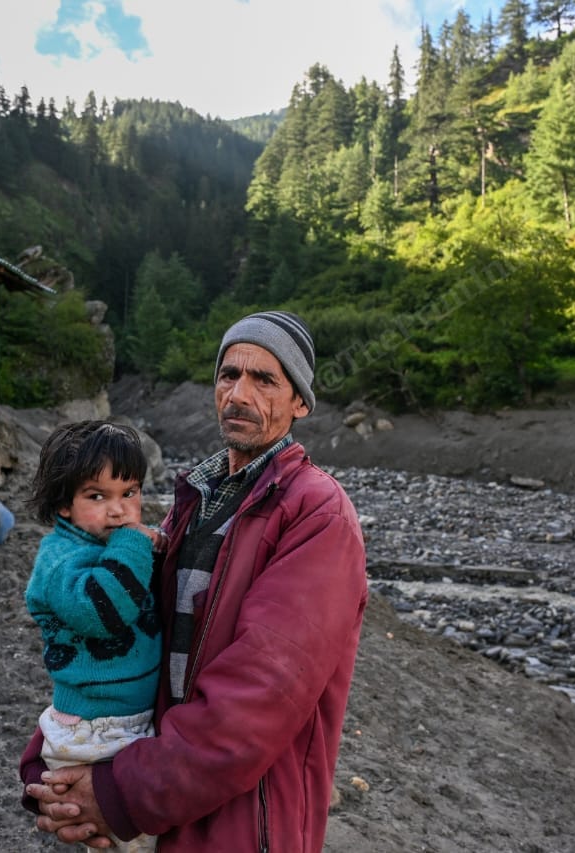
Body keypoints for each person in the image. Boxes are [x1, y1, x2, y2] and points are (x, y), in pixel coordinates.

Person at [20, 311, 368, 852]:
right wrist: (55, 760)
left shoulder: (315, 512)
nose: (238, 393)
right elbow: (131, 638)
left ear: (300, 401)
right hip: (169, 788)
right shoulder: (198, 500)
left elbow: (259, 696)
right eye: (228, 375)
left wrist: (119, 792)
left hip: (251, 812)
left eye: (264, 379)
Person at [24, 420, 167, 853]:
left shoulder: (105, 544)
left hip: (127, 723)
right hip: (95, 734)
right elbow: (103, 610)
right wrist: (136, 545)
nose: (119, 511)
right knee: (125, 842)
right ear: (64, 504)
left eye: (130, 492)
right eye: (97, 496)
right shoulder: (59, 560)